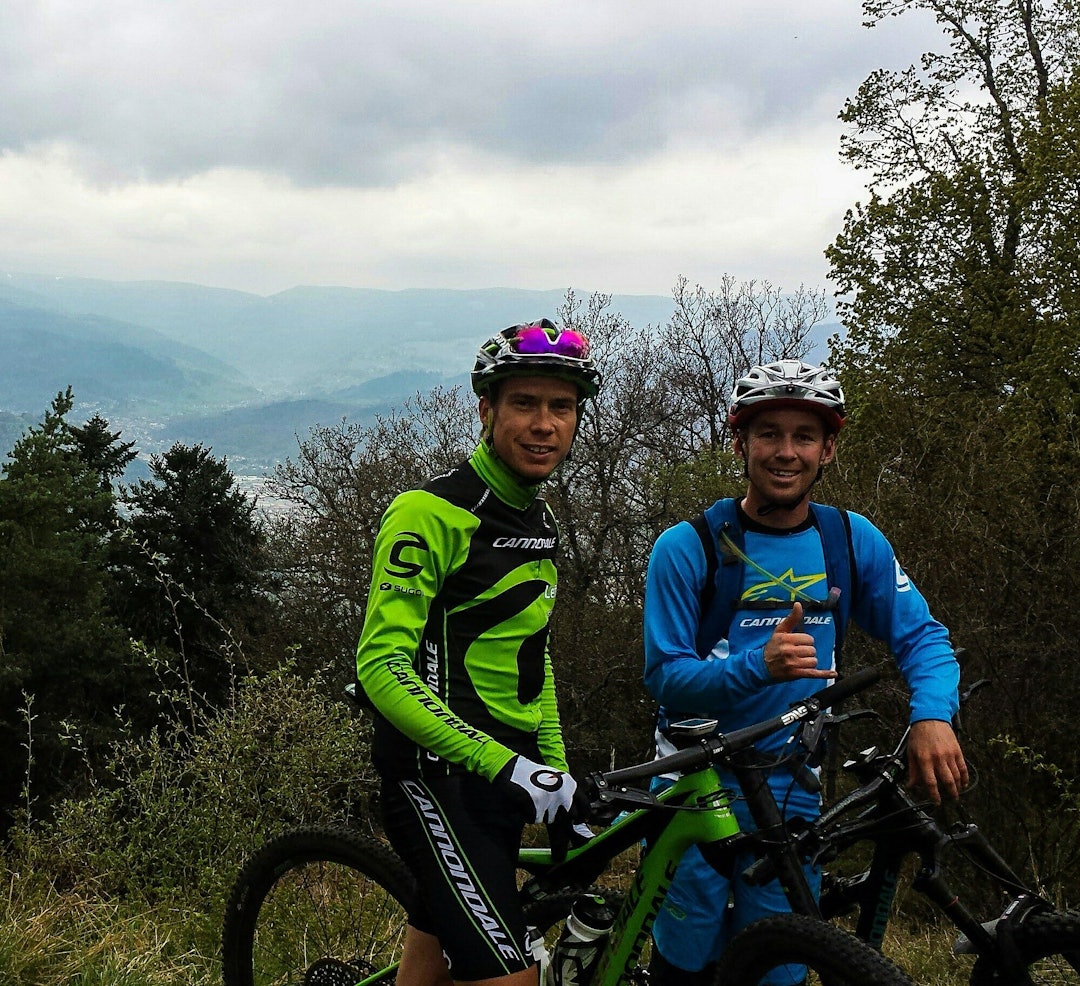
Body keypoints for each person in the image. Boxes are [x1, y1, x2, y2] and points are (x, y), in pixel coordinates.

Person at [643, 359, 968, 985]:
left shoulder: (850, 541)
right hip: (696, 784)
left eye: (804, 436)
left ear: (828, 449)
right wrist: (756, 668)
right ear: (740, 443)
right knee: (685, 959)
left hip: (793, 784)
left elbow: (923, 636)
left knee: (783, 965)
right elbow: (666, 679)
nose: (785, 452)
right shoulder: (687, 548)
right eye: (769, 434)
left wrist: (932, 714)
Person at [355, 319, 600, 986]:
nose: (544, 424)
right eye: (524, 403)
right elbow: (380, 667)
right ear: (487, 411)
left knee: (433, 959)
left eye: (561, 406)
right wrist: (511, 768)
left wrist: (553, 772)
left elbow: (533, 659)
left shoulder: (540, 521)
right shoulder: (427, 513)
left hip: (505, 777)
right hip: (436, 779)